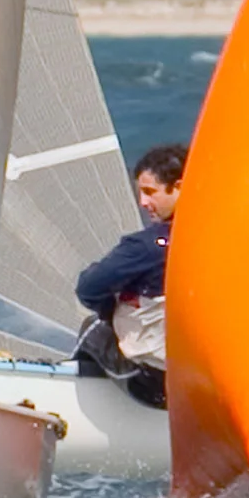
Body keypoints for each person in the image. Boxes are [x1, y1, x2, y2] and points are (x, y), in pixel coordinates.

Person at [74, 142, 186, 409]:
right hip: (199, 381)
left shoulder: (145, 248)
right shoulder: (218, 236)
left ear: (179, 187)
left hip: (152, 384)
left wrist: (109, 311)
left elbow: (88, 288)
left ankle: (76, 397)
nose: (142, 203)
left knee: (94, 328)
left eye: (150, 192)